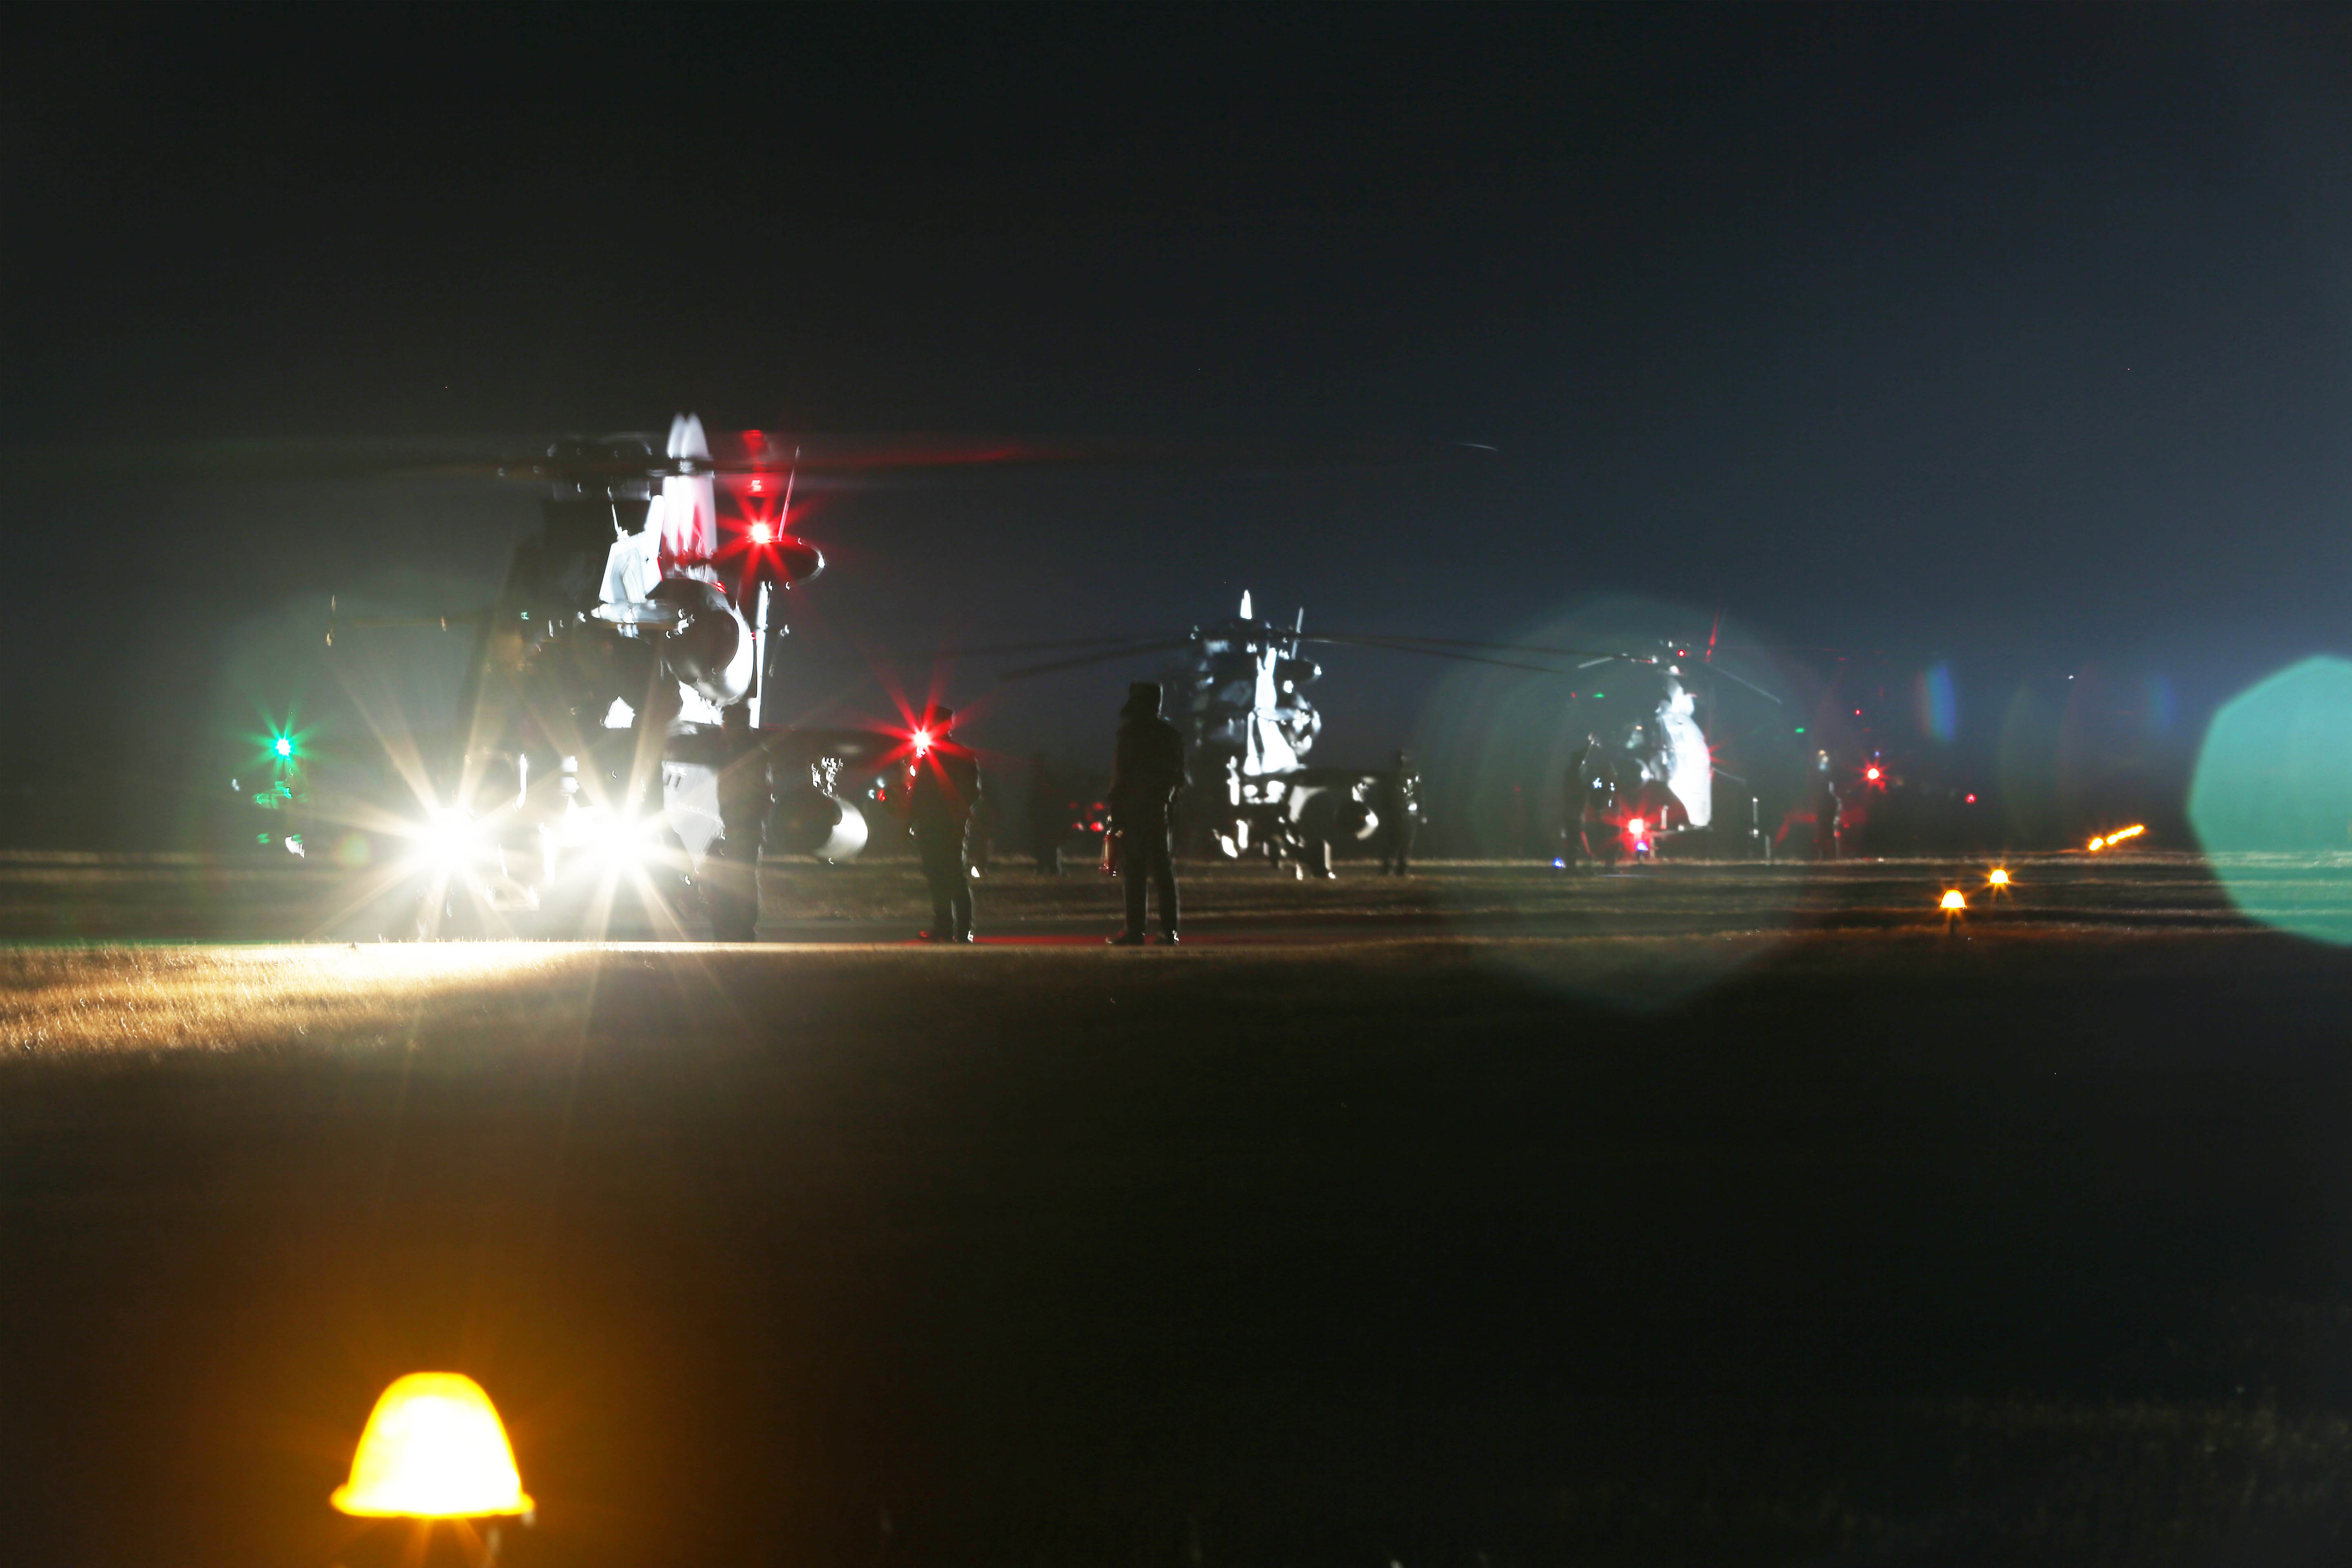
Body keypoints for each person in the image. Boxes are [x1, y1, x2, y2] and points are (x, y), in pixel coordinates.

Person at [1107, 681, 1186, 945]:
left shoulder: (1130, 734)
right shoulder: (1171, 735)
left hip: (1133, 810)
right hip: (1159, 810)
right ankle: (1169, 931)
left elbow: (1122, 775)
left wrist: (1115, 811)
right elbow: (1178, 778)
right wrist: (1167, 802)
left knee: (1135, 872)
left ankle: (1135, 931)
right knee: (1163, 872)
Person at [906, 706, 982, 941]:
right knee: (937, 875)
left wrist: (956, 817)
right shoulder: (927, 754)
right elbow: (918, 791)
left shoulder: (958, 755)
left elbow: (971, 792)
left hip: (947, 823)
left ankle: (961, 930)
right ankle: (947, 928)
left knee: (952, 876)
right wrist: (913, 819)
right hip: (932, 823)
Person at [1377, 749, 1420, 875]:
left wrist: (1421, 811)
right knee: (1394, 841)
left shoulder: (1414, 776)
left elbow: (1418, 794)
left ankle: (1402, 867)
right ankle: (1389, 867)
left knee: (1406, 842)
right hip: (1396, 813)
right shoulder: (1390, 778)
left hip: (1409, 813)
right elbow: (1385, 796)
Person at [1026, 751, 1066, 875]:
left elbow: (1035, 798)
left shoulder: (1041, 779)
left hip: (1045, 816)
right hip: (1046, 816)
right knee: (1047, 843)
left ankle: (1048, 867)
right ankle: (1050, 867)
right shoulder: (1044, 778)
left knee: (1046, 843)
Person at [1811, 750, 1842, 862]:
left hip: (1828, 819)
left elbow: (1835, 808)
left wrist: (1834, 818)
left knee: (1828, 837)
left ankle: (1831, 855)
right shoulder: (1827, 797)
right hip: (1826, 818)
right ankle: (1826, 855)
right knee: (1824, 837)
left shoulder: (1831, 798)